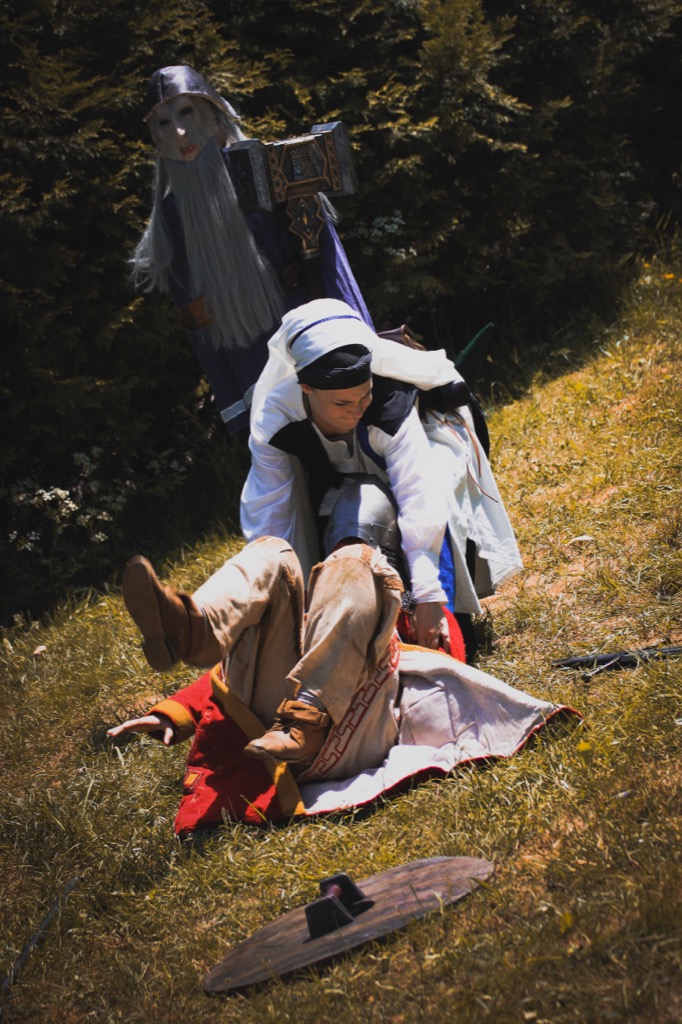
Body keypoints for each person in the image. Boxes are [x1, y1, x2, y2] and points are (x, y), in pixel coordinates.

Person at [108, 527, 576, 834]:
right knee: (273, 550)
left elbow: (439, 671)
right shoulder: (320, 603)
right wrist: (172, 713)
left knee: (358, 558)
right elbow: (226, 679)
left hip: (360, 722)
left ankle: (308, 719)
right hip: (269, 729)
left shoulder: (420, 611)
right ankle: (194, 629)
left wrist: (422, 605)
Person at [241, 298, 523, 658]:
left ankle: (447, 618)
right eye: (342, 404)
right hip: (339, 479)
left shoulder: (389, 401)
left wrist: (429, 597)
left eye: (364, 396)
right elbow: (272, 521)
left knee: (430, 489)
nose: (356, 410)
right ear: (306, 389)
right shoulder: (275, 422)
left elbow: (419, 497)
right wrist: (289, 611)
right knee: (349, 508)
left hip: (429, 444)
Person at [131, 65, 372, 434]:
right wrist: (236, 411)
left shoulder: (273, 169)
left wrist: (362, 344)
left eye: (186, 112)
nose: (179, 132)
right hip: (252, 367)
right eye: (164, 123)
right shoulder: (170, 217)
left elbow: (329, 261)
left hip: (313, 337)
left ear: (213, 112)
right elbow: (199, 326)